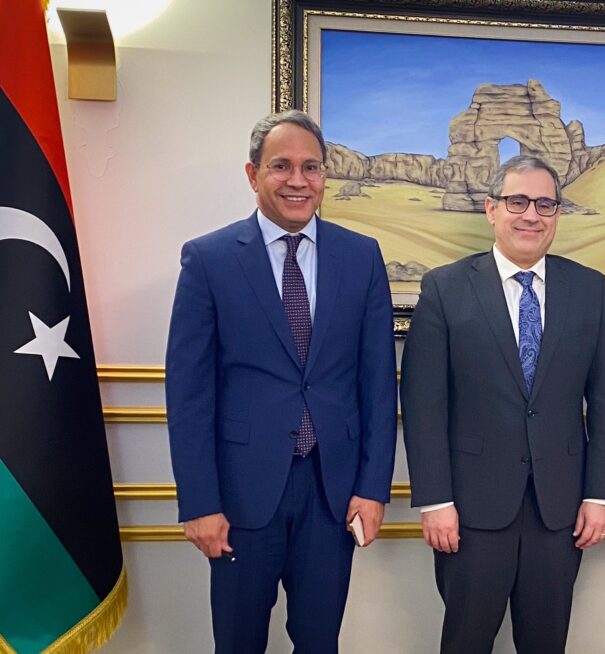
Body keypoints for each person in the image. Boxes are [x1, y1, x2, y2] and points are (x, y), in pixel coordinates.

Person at [165, 109, 396, 653]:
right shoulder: (209, 259)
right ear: (253, 175)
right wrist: (198, 502)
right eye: (281, 166)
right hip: (241, 496)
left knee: (319, 643)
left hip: (331, 494)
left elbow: (378, 383)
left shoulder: (361, 257)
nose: (298, 180)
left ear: (325, 176)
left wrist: (372, 486)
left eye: (311, 167)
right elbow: (189, 393)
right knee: (239, 643)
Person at [400, 155, 605, 653]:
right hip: (470, 510)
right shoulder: (446, 287)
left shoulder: (589, 289)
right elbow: (423, 405)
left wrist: (601, 494)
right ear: (491, 209)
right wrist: (435, 500)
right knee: (465, 642)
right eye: (517, 201)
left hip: (560, 510)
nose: (531, 215)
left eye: (545, 203)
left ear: (558, 213)